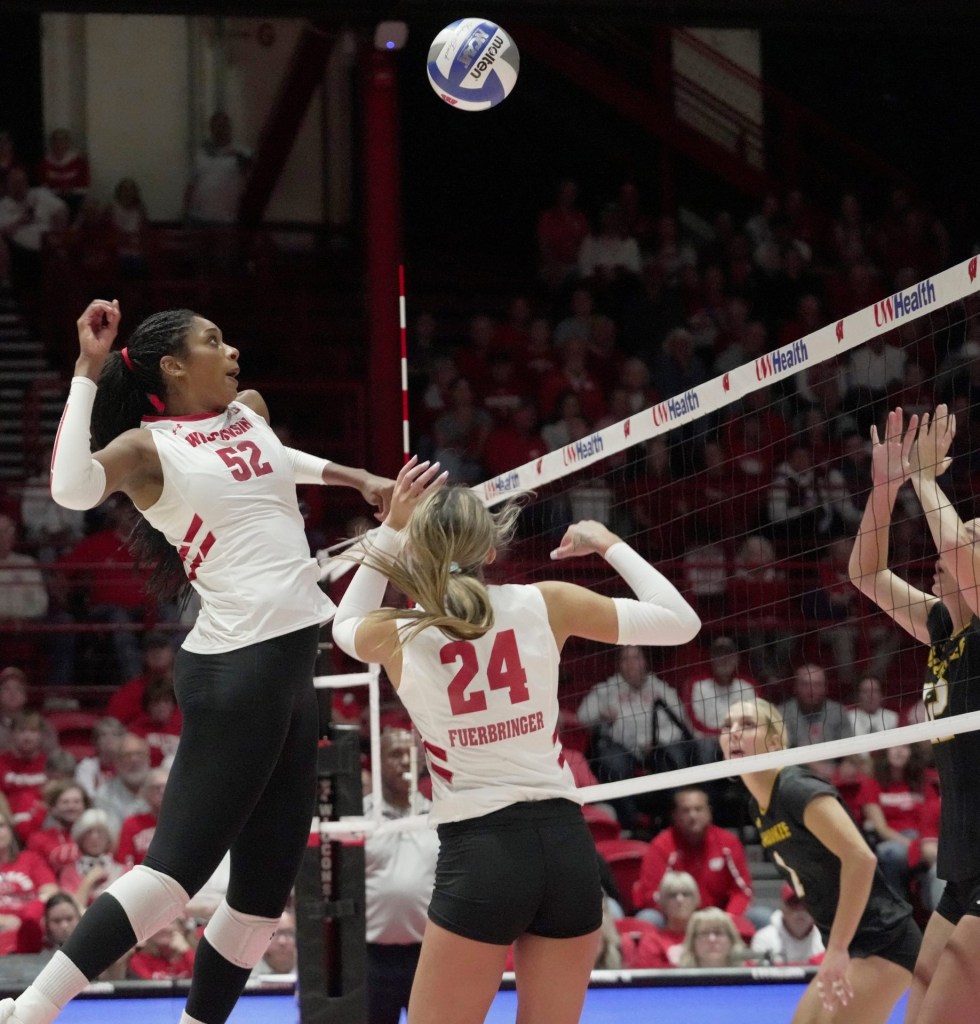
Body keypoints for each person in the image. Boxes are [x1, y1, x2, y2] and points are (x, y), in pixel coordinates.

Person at [0, 297, 393, 1024]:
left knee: (260, 899)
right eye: (215, 340)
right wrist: (86, 370)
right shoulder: (149, 450)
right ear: (176, 367)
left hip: (289, 672)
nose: (232, 349)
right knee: (173, 876)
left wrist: (357, 478)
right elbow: (69, 487)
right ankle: (28, 1011)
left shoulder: (249, 409)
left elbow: (281, 460)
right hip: (235, 671)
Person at [332, 458, 701, 1024]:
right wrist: (606, 542)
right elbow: (682, 623)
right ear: (490, 550)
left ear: (417, 549)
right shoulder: (544, 601)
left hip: (483, 856)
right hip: (565, 850)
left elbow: (342, 624)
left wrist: (391, 528)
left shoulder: (398, 631)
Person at [848, 404, 980, 1024]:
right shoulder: (940, 630)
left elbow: (952, 542)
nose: (954, 543)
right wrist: (885, 490)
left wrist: (927, 478)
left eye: (974, 537)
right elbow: (865, 572)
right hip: (961, 867)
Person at [721, 697, 920, 1023]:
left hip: (883, 940)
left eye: (747, 724)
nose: (733, 733)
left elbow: (861, 859)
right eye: (727, 726)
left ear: (774, 742)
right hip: (847, 942)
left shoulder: (795, 788)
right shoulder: (757, 806)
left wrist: (838, 949)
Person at [364, 728, 439, 1024]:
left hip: (428, 956)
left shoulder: (439, 816)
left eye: (411, 755)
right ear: (377, 762)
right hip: (371, 958)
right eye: (395, 754)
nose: (405, 761)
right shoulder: (358, 817)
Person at [576, 644, 696, 829]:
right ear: (619, 665)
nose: (631, 663)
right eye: (626, 659)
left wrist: (657, 741)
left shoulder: (660, 688)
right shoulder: (608, 688)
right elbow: (582, 716)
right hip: (622, 748)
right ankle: (631, 823)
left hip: (657, 747)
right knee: (612, 762)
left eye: (636, 658)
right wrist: (600, 714)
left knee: (674, 758)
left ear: (645, 662)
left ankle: (673, 822)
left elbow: (681, 724)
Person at [632, 787, 755, 935]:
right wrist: (682, 917)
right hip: (674, 916)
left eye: (698, 809)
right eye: (686, 810)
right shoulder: (661, 846)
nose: (693, 815)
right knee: (647, 918)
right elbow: (651, 894)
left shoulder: (728, 843)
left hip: (719, 915)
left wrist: (727, 918)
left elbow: (742, 890)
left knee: (761, 917)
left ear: (709, 812)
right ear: (675, 815)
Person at [631, 870, 701, 968]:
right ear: (662, 903)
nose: (680, 900)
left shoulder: (707, 938)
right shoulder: (652, 941)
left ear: (696, 900)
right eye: (672, 895)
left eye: (686, 894)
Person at [779, 663, 853, 749]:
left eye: (817, 684)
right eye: (805, 684)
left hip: (833, 761)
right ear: (795, 687)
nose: (811, 690)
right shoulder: (781, 714)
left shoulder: (838, 712)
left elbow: (849, 749)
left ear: (825, 687)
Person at [750, 883, 825, 965]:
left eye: (806, 904)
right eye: (794, 903)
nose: (800, 910)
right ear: (782, 908)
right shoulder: (764, 938)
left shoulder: (827, 938)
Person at [677, 906, 748, 968]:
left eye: (718, 933)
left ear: (731, 939)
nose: (712, 939)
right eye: (704, 933)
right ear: (692, 942)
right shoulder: (678, 981)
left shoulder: (750, 976)